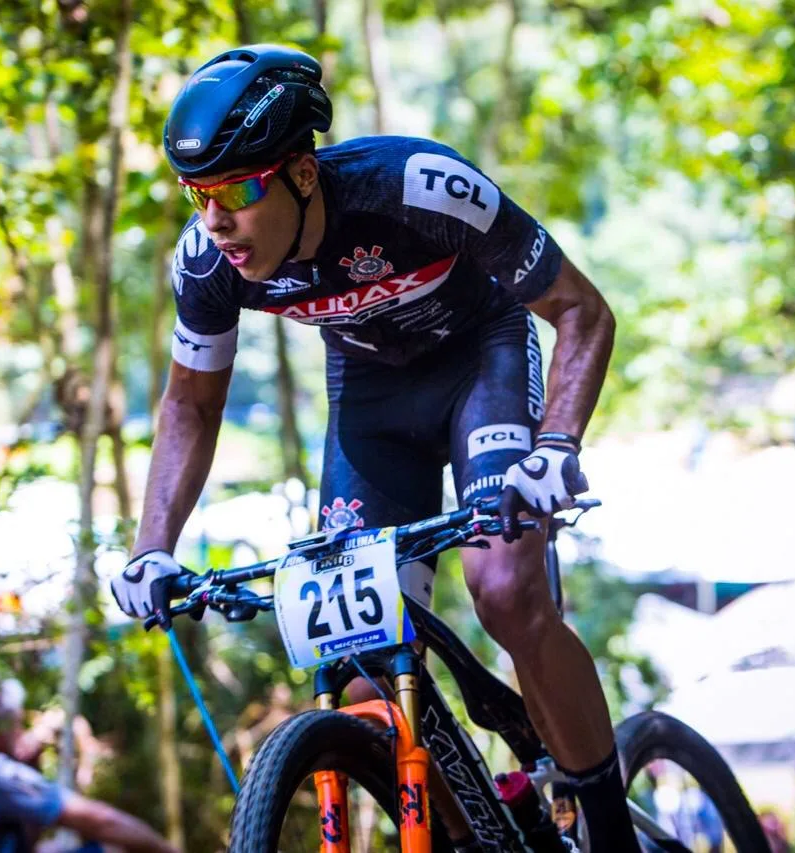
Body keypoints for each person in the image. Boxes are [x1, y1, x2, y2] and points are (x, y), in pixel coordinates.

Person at [110, 44, 634, 852]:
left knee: (501, 587)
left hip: (481, 362)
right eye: (197, 194)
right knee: (358, 668)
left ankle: (608, 830)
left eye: (238, 190)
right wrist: (152, 549)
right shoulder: (209, 260)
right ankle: (479, 826)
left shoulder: (416, 186)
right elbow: (189, 404)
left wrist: (555, 445)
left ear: (303, 173)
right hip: (374, 401)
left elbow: (582, 312)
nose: (216, 221)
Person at [0, 672, 178, 853]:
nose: (20, 731)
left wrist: (31, 764)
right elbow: (102, 820)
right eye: (17, 723)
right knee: (113, 847)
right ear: (0, 726)